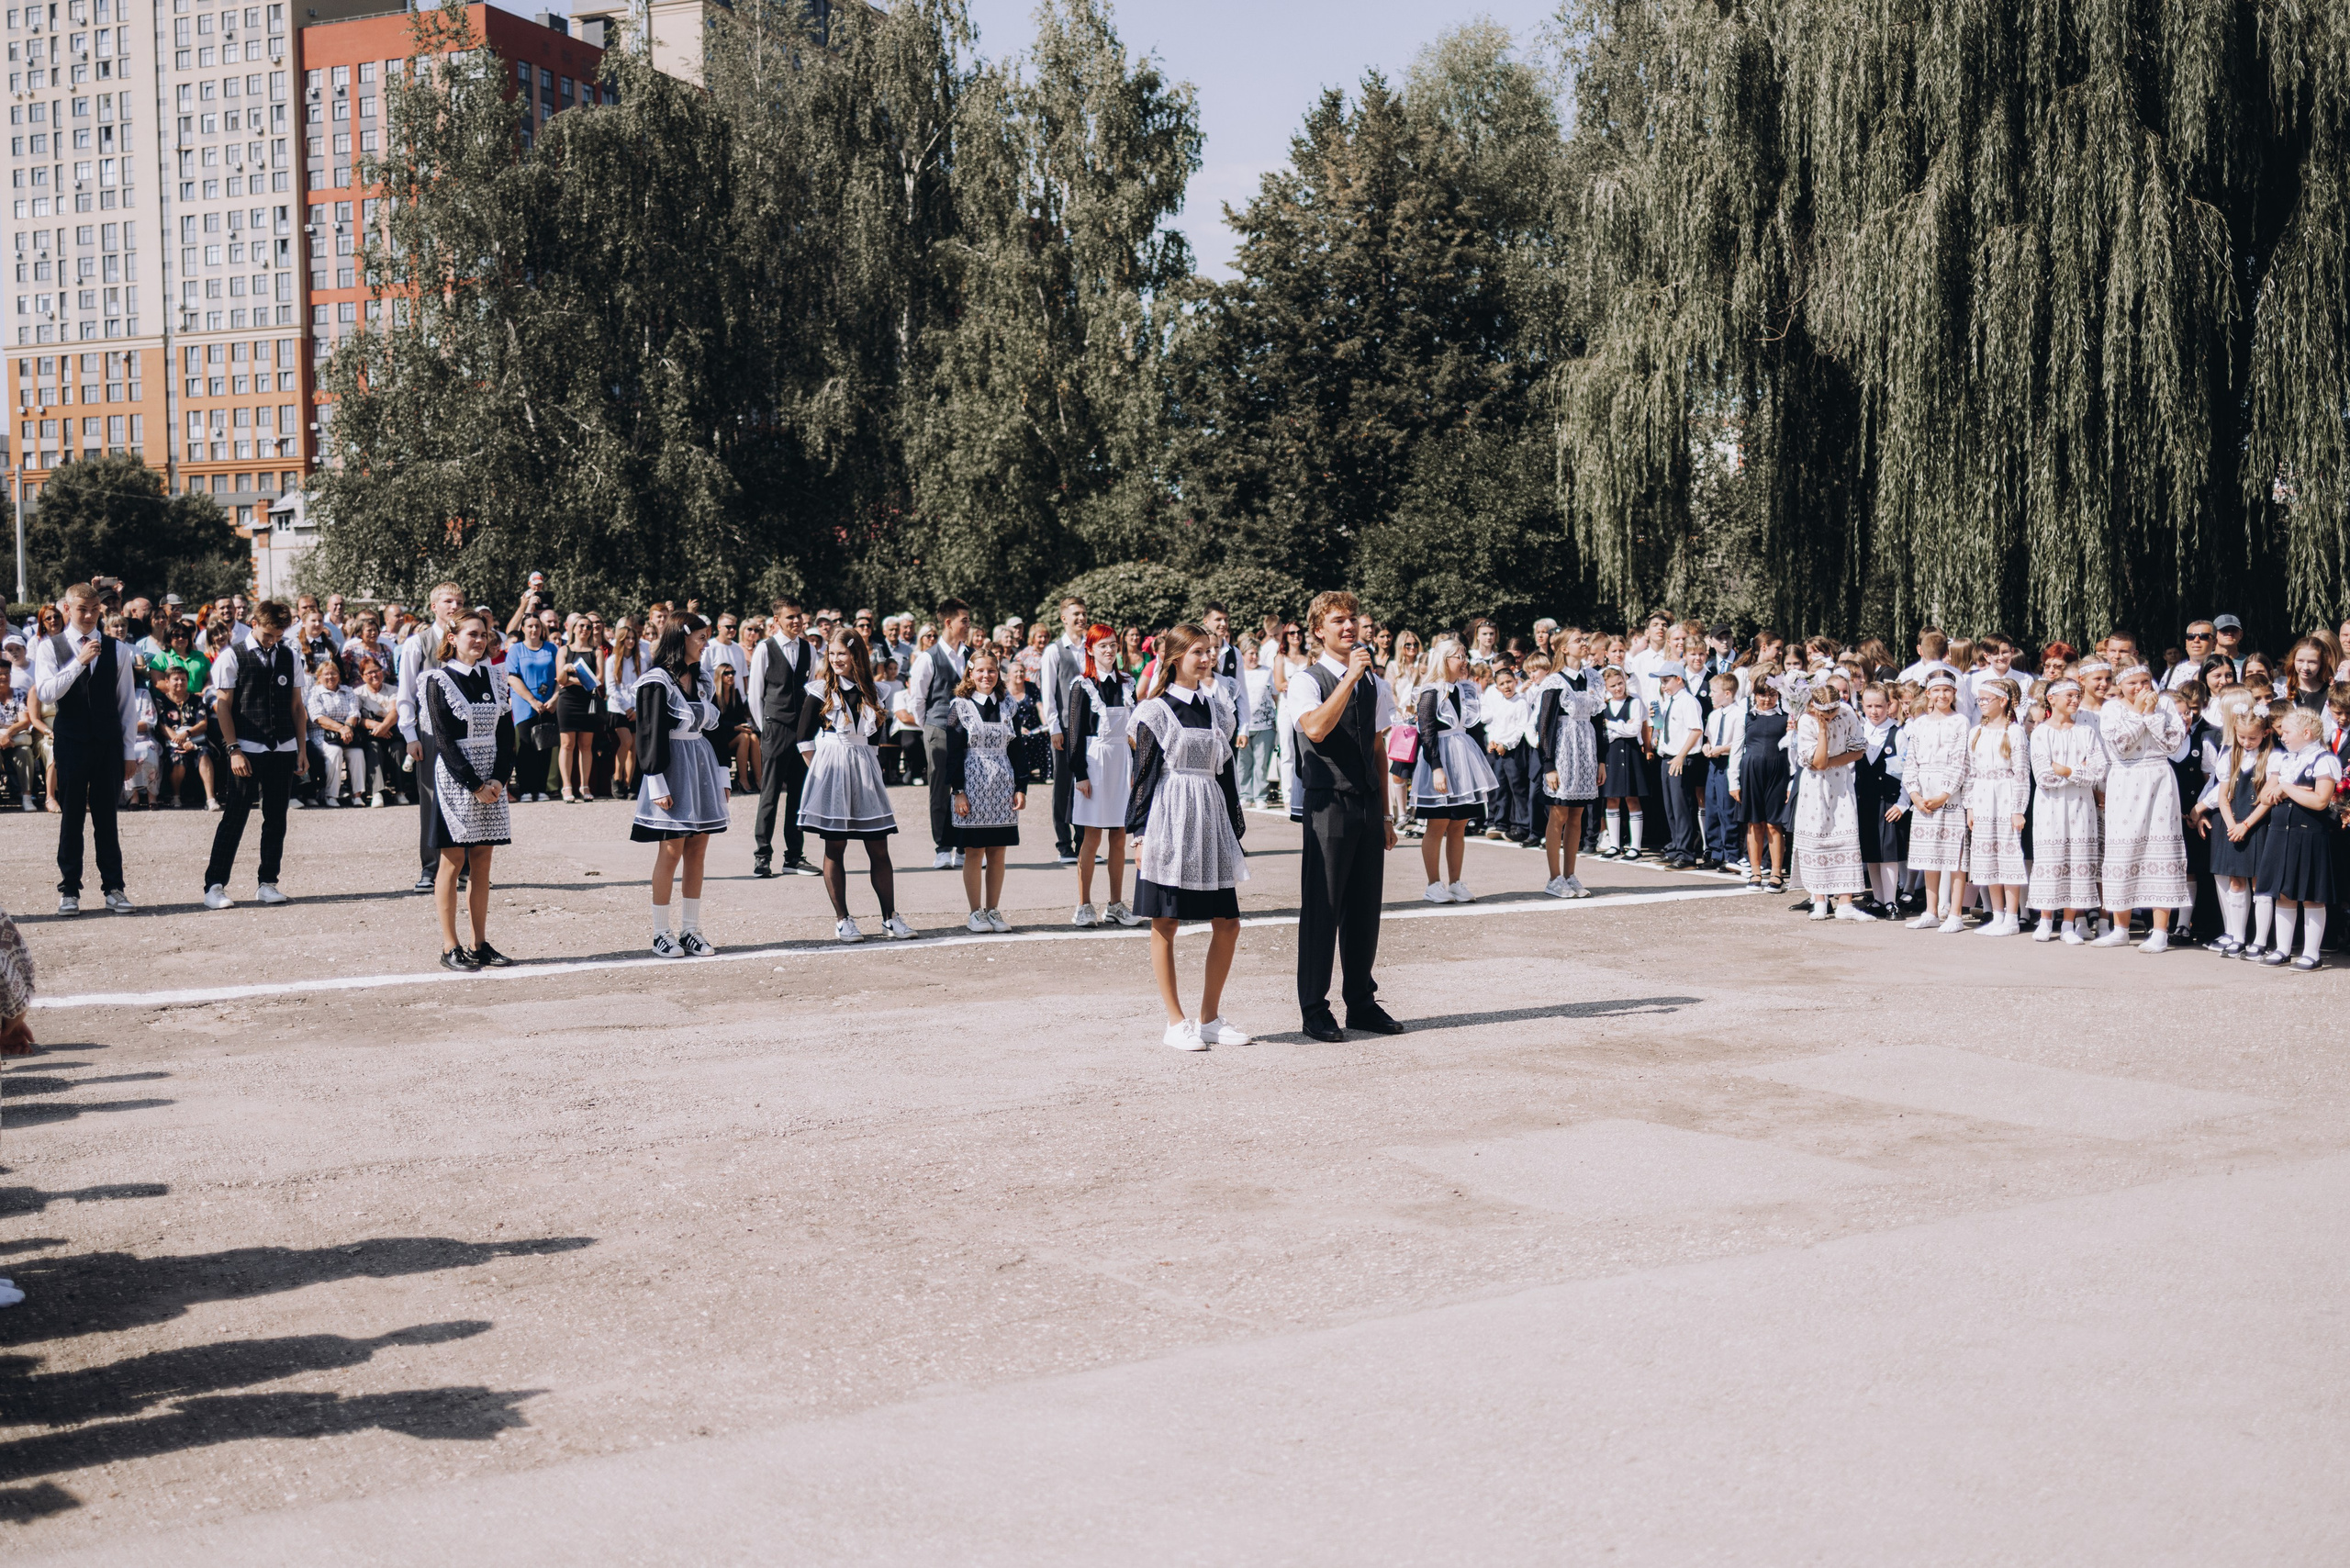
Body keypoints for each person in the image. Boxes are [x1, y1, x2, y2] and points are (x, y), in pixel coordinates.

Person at [1127, 622, 1251, 1049]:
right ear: (1176, 657)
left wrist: (1235, 828)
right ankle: (1175, 1020)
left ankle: (1210, 1018)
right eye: (1198, 651)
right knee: (1165, 921)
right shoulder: (1155, 711)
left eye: (1210, 651)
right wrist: (1139, 835)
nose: (1207, 658)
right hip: (1170, 817)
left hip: (1210, 816)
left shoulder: (1219, 708)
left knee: (1228, 923)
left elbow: (1227, 772)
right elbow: (1142, 777)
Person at [1291, 590, 1402, 1042]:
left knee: (1363, 910)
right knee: (1324, 908)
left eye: (1353, 619)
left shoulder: (1375, 682)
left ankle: (1361, 1001)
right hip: (1328, 803)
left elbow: (1377, 746)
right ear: (1319, 629)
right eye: (1338, 620)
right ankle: (1314, 1008)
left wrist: (1386, 815)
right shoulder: (1309, 679)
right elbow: (1315, 728)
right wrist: (1350, 679)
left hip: (1367, 804)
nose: (1349, 627)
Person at [800, 628, 917, 942]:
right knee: (835, 846)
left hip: (864, 766)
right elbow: (802, 738)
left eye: (843, 654)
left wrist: (870, 767)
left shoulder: (875, 691)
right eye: (832, 654)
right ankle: (843, 919)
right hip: (832, 766)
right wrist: (820, 773)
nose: (836, 660)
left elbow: (875, 738)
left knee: (879, 846)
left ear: (856, 656)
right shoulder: (819, 690)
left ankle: (890, 918)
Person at [33, 584, 140, 914]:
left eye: (95, 608)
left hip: (107, 742)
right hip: (72, 740)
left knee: (107, 816)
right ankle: (69, 889)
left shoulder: (118, 649)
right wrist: (78, 662)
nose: (90, 614)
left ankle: (114, 887)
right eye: (82, 609)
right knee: (72, 816)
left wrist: (128, 751)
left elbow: (126, 704)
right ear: (67, 608)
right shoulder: (50, 647)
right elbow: (47, 693)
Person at [421, 610, 516, 969]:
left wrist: (497, 778)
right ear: (452, 638)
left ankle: (480, 942)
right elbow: (444, 741)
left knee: (482, 860)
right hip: (457, 777)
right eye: (472, 634)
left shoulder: (496, 677)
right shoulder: (438, 680)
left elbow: (506, 735)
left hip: (491, 775)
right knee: (452, 859)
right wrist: (475, 784)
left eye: (483, 634)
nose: (479, 640)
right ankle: (450, 946)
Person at [200, 600, 309, 909]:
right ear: (252, 622)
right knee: (235, 816)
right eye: (268, 633)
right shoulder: (231, 656)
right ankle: (215, 885)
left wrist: (301, 749)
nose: (272, 640)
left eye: (278, 635)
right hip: (247, 748)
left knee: (276, 818)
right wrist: (233, 749)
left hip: (284, 748)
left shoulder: (290, 655)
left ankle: (268, 882)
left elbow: (298, 707)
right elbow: (223, 706)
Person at [633, 615, 729, 958]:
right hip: (671, 766)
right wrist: (656, 782)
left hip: (700, 763)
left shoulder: (703, 679)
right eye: (701, 638)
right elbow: (647, 734)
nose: (706, 644)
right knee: (671, 850)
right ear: (682, 638)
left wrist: (722, 776)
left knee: (698, 848)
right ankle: (661, 932)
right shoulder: (656, 681)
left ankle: (691, 928)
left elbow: (717, 730)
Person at [2094, 665, 2189, 951]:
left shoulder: (2167, 704)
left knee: (2161, 851)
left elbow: (2174, 745)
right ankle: (2120, 927)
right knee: (2124, 850)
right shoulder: (2111, 709)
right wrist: (2138, 712)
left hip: (2159, 778)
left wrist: (2151, 715)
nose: (2140, 688)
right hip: (2126, 779)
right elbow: (2120, 745)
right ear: (2120, 685)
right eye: (2133, 683)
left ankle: (2160, 931)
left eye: (2145, 681)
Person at [941, 647, 1031, 933]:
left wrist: (1021, 786)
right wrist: (958, 791)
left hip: (1002, 784)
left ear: (998, 673)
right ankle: (975, 912)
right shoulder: (960, 706)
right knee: (974, 850)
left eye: (991, 670)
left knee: (998, 851)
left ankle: (993, 909)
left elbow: (1017, 749)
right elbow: (953, 751)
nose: (986, 675)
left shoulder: (1008, 705)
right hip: (972, 783)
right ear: (970, 673)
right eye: (980, 670)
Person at [1064, 624, 1140, 926]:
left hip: (1121, 762)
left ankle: (1116, 903)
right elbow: (1075, 733)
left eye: (1112, 645)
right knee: (1091, 838)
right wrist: (1080, 773)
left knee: (1119, 837)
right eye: (1102, 646)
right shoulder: (1082, 686)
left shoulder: (1127, 683)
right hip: (1094, 763)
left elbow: (1134, 731)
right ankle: (1083, 904)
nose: (1109, 651)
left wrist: (1136, 768)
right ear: (1091, 651)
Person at [2250, 705, 2336, 969]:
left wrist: (2286, 788)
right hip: (2280, 833)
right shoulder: (2284, 760)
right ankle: (2282, 949)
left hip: (2309, 834)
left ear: (2307, 733)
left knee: (2311, 894)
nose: (2282, 737)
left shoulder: (2324, 760)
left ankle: (2312, 952)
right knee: (2283, 892)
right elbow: (2265, 796)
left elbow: (2320, 800)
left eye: (2287, 732)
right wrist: (2282, 788)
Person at [1412, 636, 1496, 903]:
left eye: (1464, 656)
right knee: (1437, 823)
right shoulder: (1431, 691)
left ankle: (1456, 882)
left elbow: (1474, 728)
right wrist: (1437, 767)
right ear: (1444, 660)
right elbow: (1426, 732)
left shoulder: (1466, 689)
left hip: (1463, 758)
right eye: (1458, 656)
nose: (1464, 661)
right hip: (1440, 757)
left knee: (1459, 823)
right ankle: (1433, 883)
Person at [398, 582, 467, 893]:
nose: (454, 605)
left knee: (466, 798)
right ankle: (430, 868)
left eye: (459, 601)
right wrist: (409, 734)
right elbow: (405, 694)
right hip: (427, 732)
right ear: (434, 607)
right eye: (448, 601)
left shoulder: (467, 640)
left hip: (463, 733)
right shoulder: (418, 643)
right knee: (430, 799)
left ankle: (463, 867)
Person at [2196, 697, 2272, 958]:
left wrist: (2246, 825)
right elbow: (2222, 795)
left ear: (2265, 733)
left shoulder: (2271, 758)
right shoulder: (2230, 756)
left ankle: (2259, 941)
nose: (2246, 743)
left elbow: (2266, 801)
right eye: (2242, 737)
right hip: (2234, 824)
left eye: (2252, 738)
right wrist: (2231, 824)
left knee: (2259, 884)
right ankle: (2237, 937)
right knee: (2236, 882)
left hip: (2257, 825)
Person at [1535, 634, 1609, 898]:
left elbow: (1600, 722)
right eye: (1579, 640)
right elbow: (1544, 725)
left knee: (1577, 815)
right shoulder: (1554, 682)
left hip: (1586, 747)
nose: (1585, 643)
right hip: (1564, 748)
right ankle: (1554, 877)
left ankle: (1570, 873)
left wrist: (1601, 760)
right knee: (1559, 814)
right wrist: (1549, 764)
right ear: (1565, 648)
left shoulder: (1594, 678)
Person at [749, 600, 819, 877]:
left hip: (801, 730)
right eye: (790, 617)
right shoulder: (765, 649)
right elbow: (755, 694)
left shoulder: (809, 648)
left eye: (799, 616)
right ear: (777, 620)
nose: (797, 621)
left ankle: (794, 856)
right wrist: (765, 728)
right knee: (770, 794)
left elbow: (811, 688)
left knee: (799, 795)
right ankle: (762, 855)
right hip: (775, 727)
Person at [1791, 684, 1872, 920]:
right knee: (1818, 836)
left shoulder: (1847, 713)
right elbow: (1816, 762)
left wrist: (1830, 761)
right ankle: (1820, 900)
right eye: (1826, 714)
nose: (1831, 716)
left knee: (1844, 834)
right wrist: (1823, 731)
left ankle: (1845, 902)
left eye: (1834, 711)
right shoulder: (1807, 722)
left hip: (1841, 783)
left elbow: (1857, 751)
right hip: (1815, 786)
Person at [1963, 677, 2030, 935]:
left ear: (2002, 702)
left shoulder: (2014, 732)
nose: (1980, 703)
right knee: (1987, 857)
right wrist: (1970, 806)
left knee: (2008, 857)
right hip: (1982, 799)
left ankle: (2012, 917)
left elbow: (2021, 773)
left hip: (2005, 796)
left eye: (1985, 699)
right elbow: (1970, 772)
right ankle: (1998, 915)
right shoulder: (1976, 732)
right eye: (1979, 699)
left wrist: (2017, 809)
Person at [1040, 596, 1091, 866]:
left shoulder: (1091, 648)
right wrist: (1054, 728)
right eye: (1076, 614)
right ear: (1064, 618)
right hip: (1065, 726)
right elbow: (1048, 693)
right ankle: (1064, 844)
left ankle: (1084, 842)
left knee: (1086, 785)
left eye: (1083, 613)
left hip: (1090, 728)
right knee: (1063, 787)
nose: (1081, 618)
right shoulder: (1055, 650)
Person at [1653, 664, 1707, 868]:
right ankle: (1676, 846)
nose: (1663, 686)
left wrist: (1680, 756)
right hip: (1667, 756)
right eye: (1661, 682)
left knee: (1682, 806)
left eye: (1666, 681)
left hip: (1680, 758)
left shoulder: (1688, 701)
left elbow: (1696, 730)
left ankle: (1686, 853)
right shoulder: (1670, 701)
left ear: (1679, 679)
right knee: (1671, 806)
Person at [1595, 666, 1651, 860]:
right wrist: (1619, 728)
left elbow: (1635, 729)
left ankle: (1635, 846)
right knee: (1611, 799)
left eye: (1620, 683)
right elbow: (1603, 735)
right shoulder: (1604, 705)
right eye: (1613, 685)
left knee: (1632, 798)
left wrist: (1612, 726)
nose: (1618, 688)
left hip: (1631, 754)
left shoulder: (1635, 702)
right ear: (1606, 687)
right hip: (1611, 756)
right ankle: (1614, 845)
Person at [504, 611, 558, 803]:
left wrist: (554, 698)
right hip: (524, 704)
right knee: (526, 747)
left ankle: (541, 788)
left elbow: (560, 677)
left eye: (537, 626)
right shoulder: (516, 649)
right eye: (530, 626)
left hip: (548, 704)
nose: (534, 629)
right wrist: (532, 700)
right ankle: (526, 788)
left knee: (545, 746)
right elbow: (512, 677)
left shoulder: (552, 648)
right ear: (524, 629)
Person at [1482, 663, 1536, 845]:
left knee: (1518, 789)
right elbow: (1496, 725)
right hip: (1499, 752)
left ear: (1516, 682)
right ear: (1497, 688)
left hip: (1514, 751)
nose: (1507, 686)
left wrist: (1507, 744)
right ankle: (1500, 823)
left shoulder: (1521, 702)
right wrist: (1493, 740)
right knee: (1500, 787)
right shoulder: (1500, 703)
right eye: (1502, 684)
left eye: (1509, 682)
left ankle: (1522, 826)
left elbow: (1521, 728)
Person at [307, 657, 370, 807]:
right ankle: (330, 795)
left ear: (339, 675)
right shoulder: (314, 693)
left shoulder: (347, 691)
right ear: (319, 677)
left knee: (357, 754)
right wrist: (340, 728)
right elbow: (318, 717)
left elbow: (354, 712)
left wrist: (347, 727)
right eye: (326, 674)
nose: (330, 677)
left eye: (334, 673)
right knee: (334, 752)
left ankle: (357, 795)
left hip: (347, 734)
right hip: (322, 734)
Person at [605, 615, 645, 803]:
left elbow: (642, 685)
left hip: (637, 708)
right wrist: (628, 708)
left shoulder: (640, 660)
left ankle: (630, 784)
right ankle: (617, 777)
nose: (630, 641)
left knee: (634, 747)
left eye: (633, 638)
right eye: (627, 638)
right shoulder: (612, 661)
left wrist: (636, 708)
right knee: (626, 742)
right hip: (618, 709)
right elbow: (612, 688)